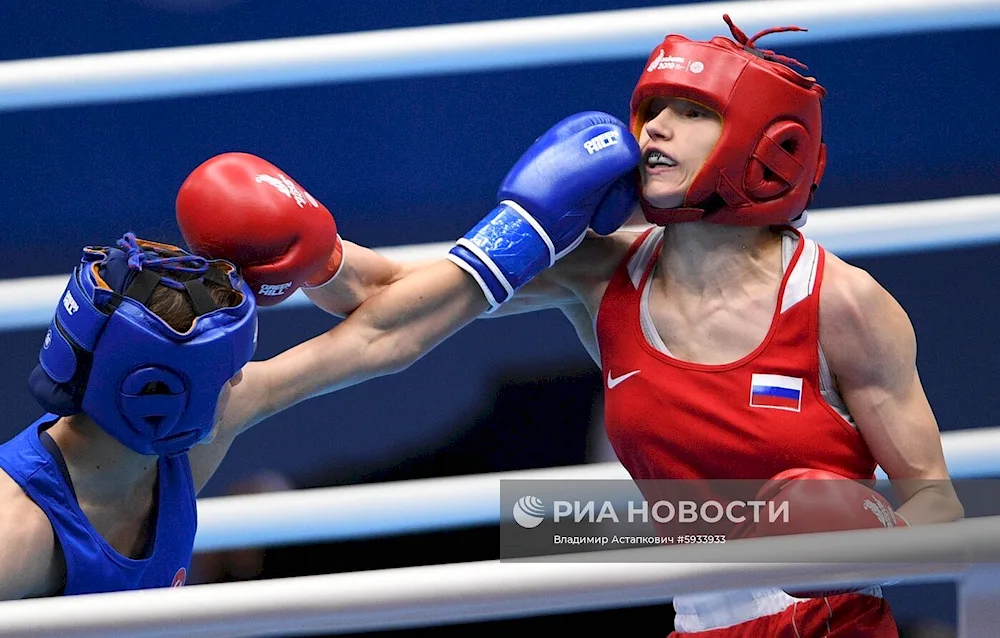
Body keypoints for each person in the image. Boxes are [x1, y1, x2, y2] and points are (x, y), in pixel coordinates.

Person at [299, 15, 964, 637]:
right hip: (697, 620)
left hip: (835, 622)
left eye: (693, 111)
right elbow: (391, 289)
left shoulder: (842, 302)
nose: (656, 130)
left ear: (772, 143)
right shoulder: (598, 271)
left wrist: (871, 549)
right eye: (652, 110)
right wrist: (302, 246)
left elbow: (937, 506)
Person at [0, 110, 640, 600]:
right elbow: (381, 316)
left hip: (695, 526)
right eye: (227, 372)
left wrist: (526, 232)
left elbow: (375, 335)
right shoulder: (16, 533)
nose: (241, 380)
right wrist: (529, 227)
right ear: (164, 402)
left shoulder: (188, 434)